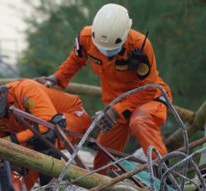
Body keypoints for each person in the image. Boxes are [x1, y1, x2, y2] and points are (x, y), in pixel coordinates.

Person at [37, 3, 172, 175]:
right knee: (102, 160)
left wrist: (116, 111)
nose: (107, 54)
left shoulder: (140, 45)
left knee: (139, 121)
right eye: (102, 49)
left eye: (113, 50)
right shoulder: (86, 38)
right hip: (116, 108)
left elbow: (149, 89)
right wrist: (56, 78)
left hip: (148, 99)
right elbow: (75, 61)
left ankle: (164, 170)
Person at [0, 67, 91, 190]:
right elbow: (0, 146)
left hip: (73, 119)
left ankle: (50, 188)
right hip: (36, 134)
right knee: (23, 153)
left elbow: (46, 124)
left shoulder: (25, 89)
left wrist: (13, 139)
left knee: (44, 137)